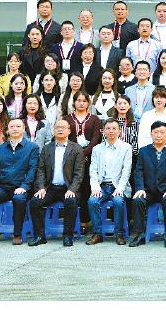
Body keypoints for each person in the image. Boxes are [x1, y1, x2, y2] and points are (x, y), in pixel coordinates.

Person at [0, 118, 40, 245]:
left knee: (19, 199)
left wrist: (24, 186)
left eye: (18, 126)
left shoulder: (32, 147)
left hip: (22, 187)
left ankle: (17, 234)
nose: (15, 129)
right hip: (3, 187)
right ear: (7, 130)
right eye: (12, 127)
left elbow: (32, 169)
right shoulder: (1, 148)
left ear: (23, 129)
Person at [27, 119, 85, 247]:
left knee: (71, 202)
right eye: (57, 127)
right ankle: (40, 236)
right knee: (35, 202)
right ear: (53, 131)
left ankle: (68, 236)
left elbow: (79, 173)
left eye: (63, 127)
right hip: (50, 188)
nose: (60, 129)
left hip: (68, 188)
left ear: (69, 131)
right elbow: (40, 170)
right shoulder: (47, 148)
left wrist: (72, 189)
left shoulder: (76, 149)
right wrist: (41, 187)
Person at [128, 120, 166, 248]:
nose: (159, 135)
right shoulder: (144, 151)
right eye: (156, 132)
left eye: (162, 132)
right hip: (148, 190)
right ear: (151, 134)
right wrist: (140, 188)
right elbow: (138, 172)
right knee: (137, 201)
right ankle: (139, 235)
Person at [85, 118, 133, 245]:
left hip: (118, 186)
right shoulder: (97, 149)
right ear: (103, 131)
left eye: (114, 128)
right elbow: (93, 170)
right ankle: (97, 233)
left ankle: (119, 234)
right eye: (108, 128)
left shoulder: (126, 148)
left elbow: (126, 171)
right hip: (102, 186)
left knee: (118, 201)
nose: (111, 131)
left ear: (119, 131)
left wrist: (120, 188)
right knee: (92, 201)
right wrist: (95, 187)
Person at [63, 90, 103, 231]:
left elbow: (96, 139)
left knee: (87, 188)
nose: (81, 103)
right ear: (74, 102)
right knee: (73, 187)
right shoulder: (66, 119)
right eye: (78, 100)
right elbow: (64, 138)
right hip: (70, 158)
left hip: (90, 158)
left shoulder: (95, 119)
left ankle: (86, 221)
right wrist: (77, 154)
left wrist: (84, 153)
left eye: (84, 101)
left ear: (88, 103)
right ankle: (73, 221)